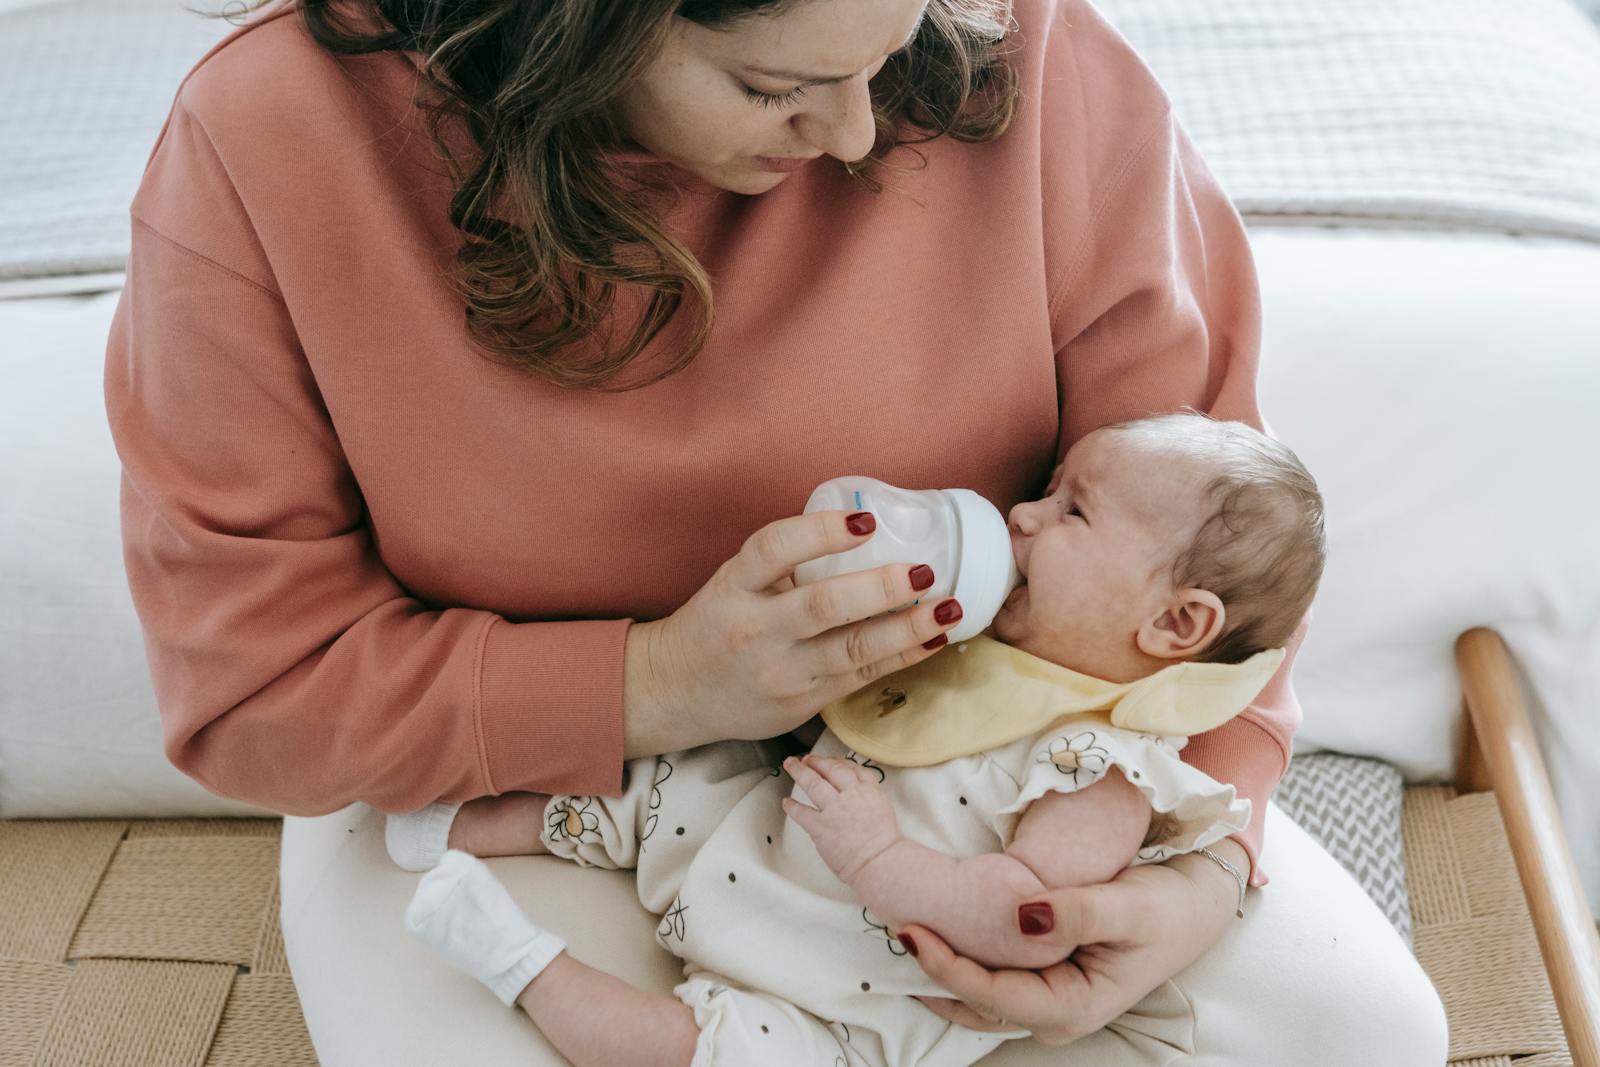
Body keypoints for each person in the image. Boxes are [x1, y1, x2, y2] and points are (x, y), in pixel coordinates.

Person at [103, 0, 1448, 1061]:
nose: (860, 135)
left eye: (896, 43)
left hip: (980, 766)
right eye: (775, 86)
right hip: (510, 784)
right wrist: (665, 681)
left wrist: (1210, 863)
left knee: (1363, 1034)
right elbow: (254, 689)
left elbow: (1215, 541)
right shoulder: (273, 141)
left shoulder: (1029, 50)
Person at [395, 413, 1324, 1067]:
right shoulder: (989, 647)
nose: (1023, 516)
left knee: (704, 1056)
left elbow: (1021, 918)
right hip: (761, 833)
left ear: (1176, 626)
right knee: (671, 779)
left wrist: (877, 851)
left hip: (838, 997)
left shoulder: (1102, 768)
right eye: (1044, 492)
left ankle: (516, 962)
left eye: (1072, 511)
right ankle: (459, 828)